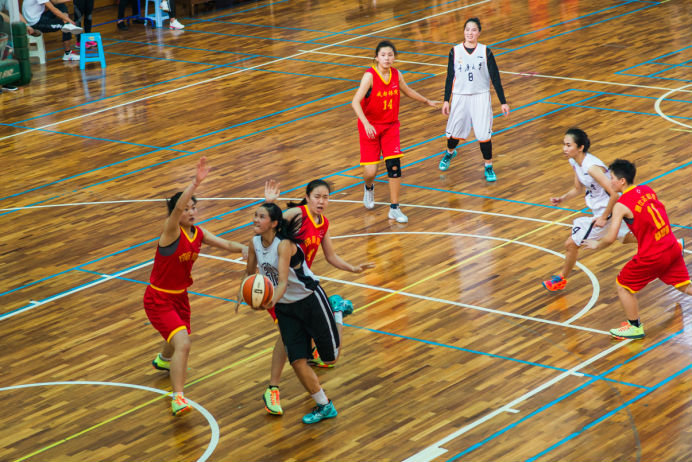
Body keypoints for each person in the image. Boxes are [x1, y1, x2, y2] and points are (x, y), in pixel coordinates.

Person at [238, 202, 361, 424]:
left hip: (310, 300)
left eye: (261, 217)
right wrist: (243, 295)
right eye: (255, 215)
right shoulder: (254, 242)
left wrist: (269, 301)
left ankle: (337, 311)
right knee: (297, 361)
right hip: (285, 308)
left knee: (330, 358)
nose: (255, 220)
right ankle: (324, 405)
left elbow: (283, 281)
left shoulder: (284, 245)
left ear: (274, 223)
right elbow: (250, 273)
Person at [259, 179, 373, 416]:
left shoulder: (323, 223)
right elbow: (268, 224)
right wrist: (269, 204)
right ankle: (273, 388)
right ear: (307, 197)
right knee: (287, 338)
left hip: (300, 287)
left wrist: (353, 268)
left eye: (326, 197)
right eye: (317, 196)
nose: (321, 201)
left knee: (302, 343)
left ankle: (333, 314)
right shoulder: (297, 215)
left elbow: (331, 256)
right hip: (278, 286)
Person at [144, 157, 247, 416]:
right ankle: (178, 398)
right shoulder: (171, 231)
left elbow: (226, 244)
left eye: (194, 208)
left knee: (176, 339)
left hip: (180, 297)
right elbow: (177, 207)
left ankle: (163, 360)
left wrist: (245, 248)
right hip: (159, 298)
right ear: (176, 213)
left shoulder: (198, 234)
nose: (190, 212)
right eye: (186, 208)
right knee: (184, 343)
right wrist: (195, 183)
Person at [584, 159, 691, 339]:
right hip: (671, 245)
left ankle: (634, 327)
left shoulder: (620, 205)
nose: (610, 181)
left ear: (622, 181)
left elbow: (611, 237)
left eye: (612, 178)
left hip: (653, 255)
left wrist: (597, 244)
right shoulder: (647, 190)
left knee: (622, 286)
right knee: (684, 286)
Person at [351, 40, 439, 223]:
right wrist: (366, 123)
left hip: (390, 127)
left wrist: (427, 101)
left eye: (390, 55)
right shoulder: (369, 76)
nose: (387, 58)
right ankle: (368, 187)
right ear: (376, 57)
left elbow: (407, 91)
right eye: (383, 55)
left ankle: (394, 208)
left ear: (394, 57)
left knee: (394, 166)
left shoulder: (396, 75)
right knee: (370, 172)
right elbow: (355, 102)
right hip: (370, 127)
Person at [542, 128, 634, 291]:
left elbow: (615, 194)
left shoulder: (591, 167)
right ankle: (672, 244)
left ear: (580, 148)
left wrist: (604, 217)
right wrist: (562, 198)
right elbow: (578, 189)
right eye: (564, 144)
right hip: (604, 209)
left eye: (568, 145)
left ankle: (560, 279)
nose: (564, 149)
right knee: (625, 237)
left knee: (571, 244)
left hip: (607, 209)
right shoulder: (574, 162)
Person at [438, 17, 510, 182]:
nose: (470, 32)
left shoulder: (485, 52)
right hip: (460, 96)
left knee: (484, 134)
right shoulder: (455, 51)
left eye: (473, 30)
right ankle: (449, 153)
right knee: (454, 133)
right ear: (464, 31)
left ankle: (488, 166)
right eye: (467, 29)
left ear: (479, 33)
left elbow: (495, 78)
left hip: (481, 96)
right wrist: (446, 100)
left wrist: (503, 102)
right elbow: (449, 77)